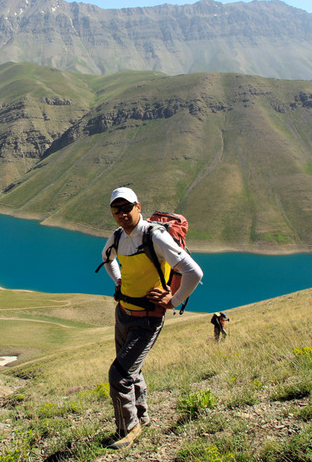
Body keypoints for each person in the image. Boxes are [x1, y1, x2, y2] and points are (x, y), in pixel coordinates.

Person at [100, 187, 203, 450]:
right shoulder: (117, 237)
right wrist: (120, 281)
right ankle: (142, 419)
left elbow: (193, 272)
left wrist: (173, 300)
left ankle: (128, 429)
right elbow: (107, 259)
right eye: (116, 209)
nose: (122, 214)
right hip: (123, 313)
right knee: (132, 371)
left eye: (127, 207)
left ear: (138, 206)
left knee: (119, 374)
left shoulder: (154, 236)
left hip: (147, 319)